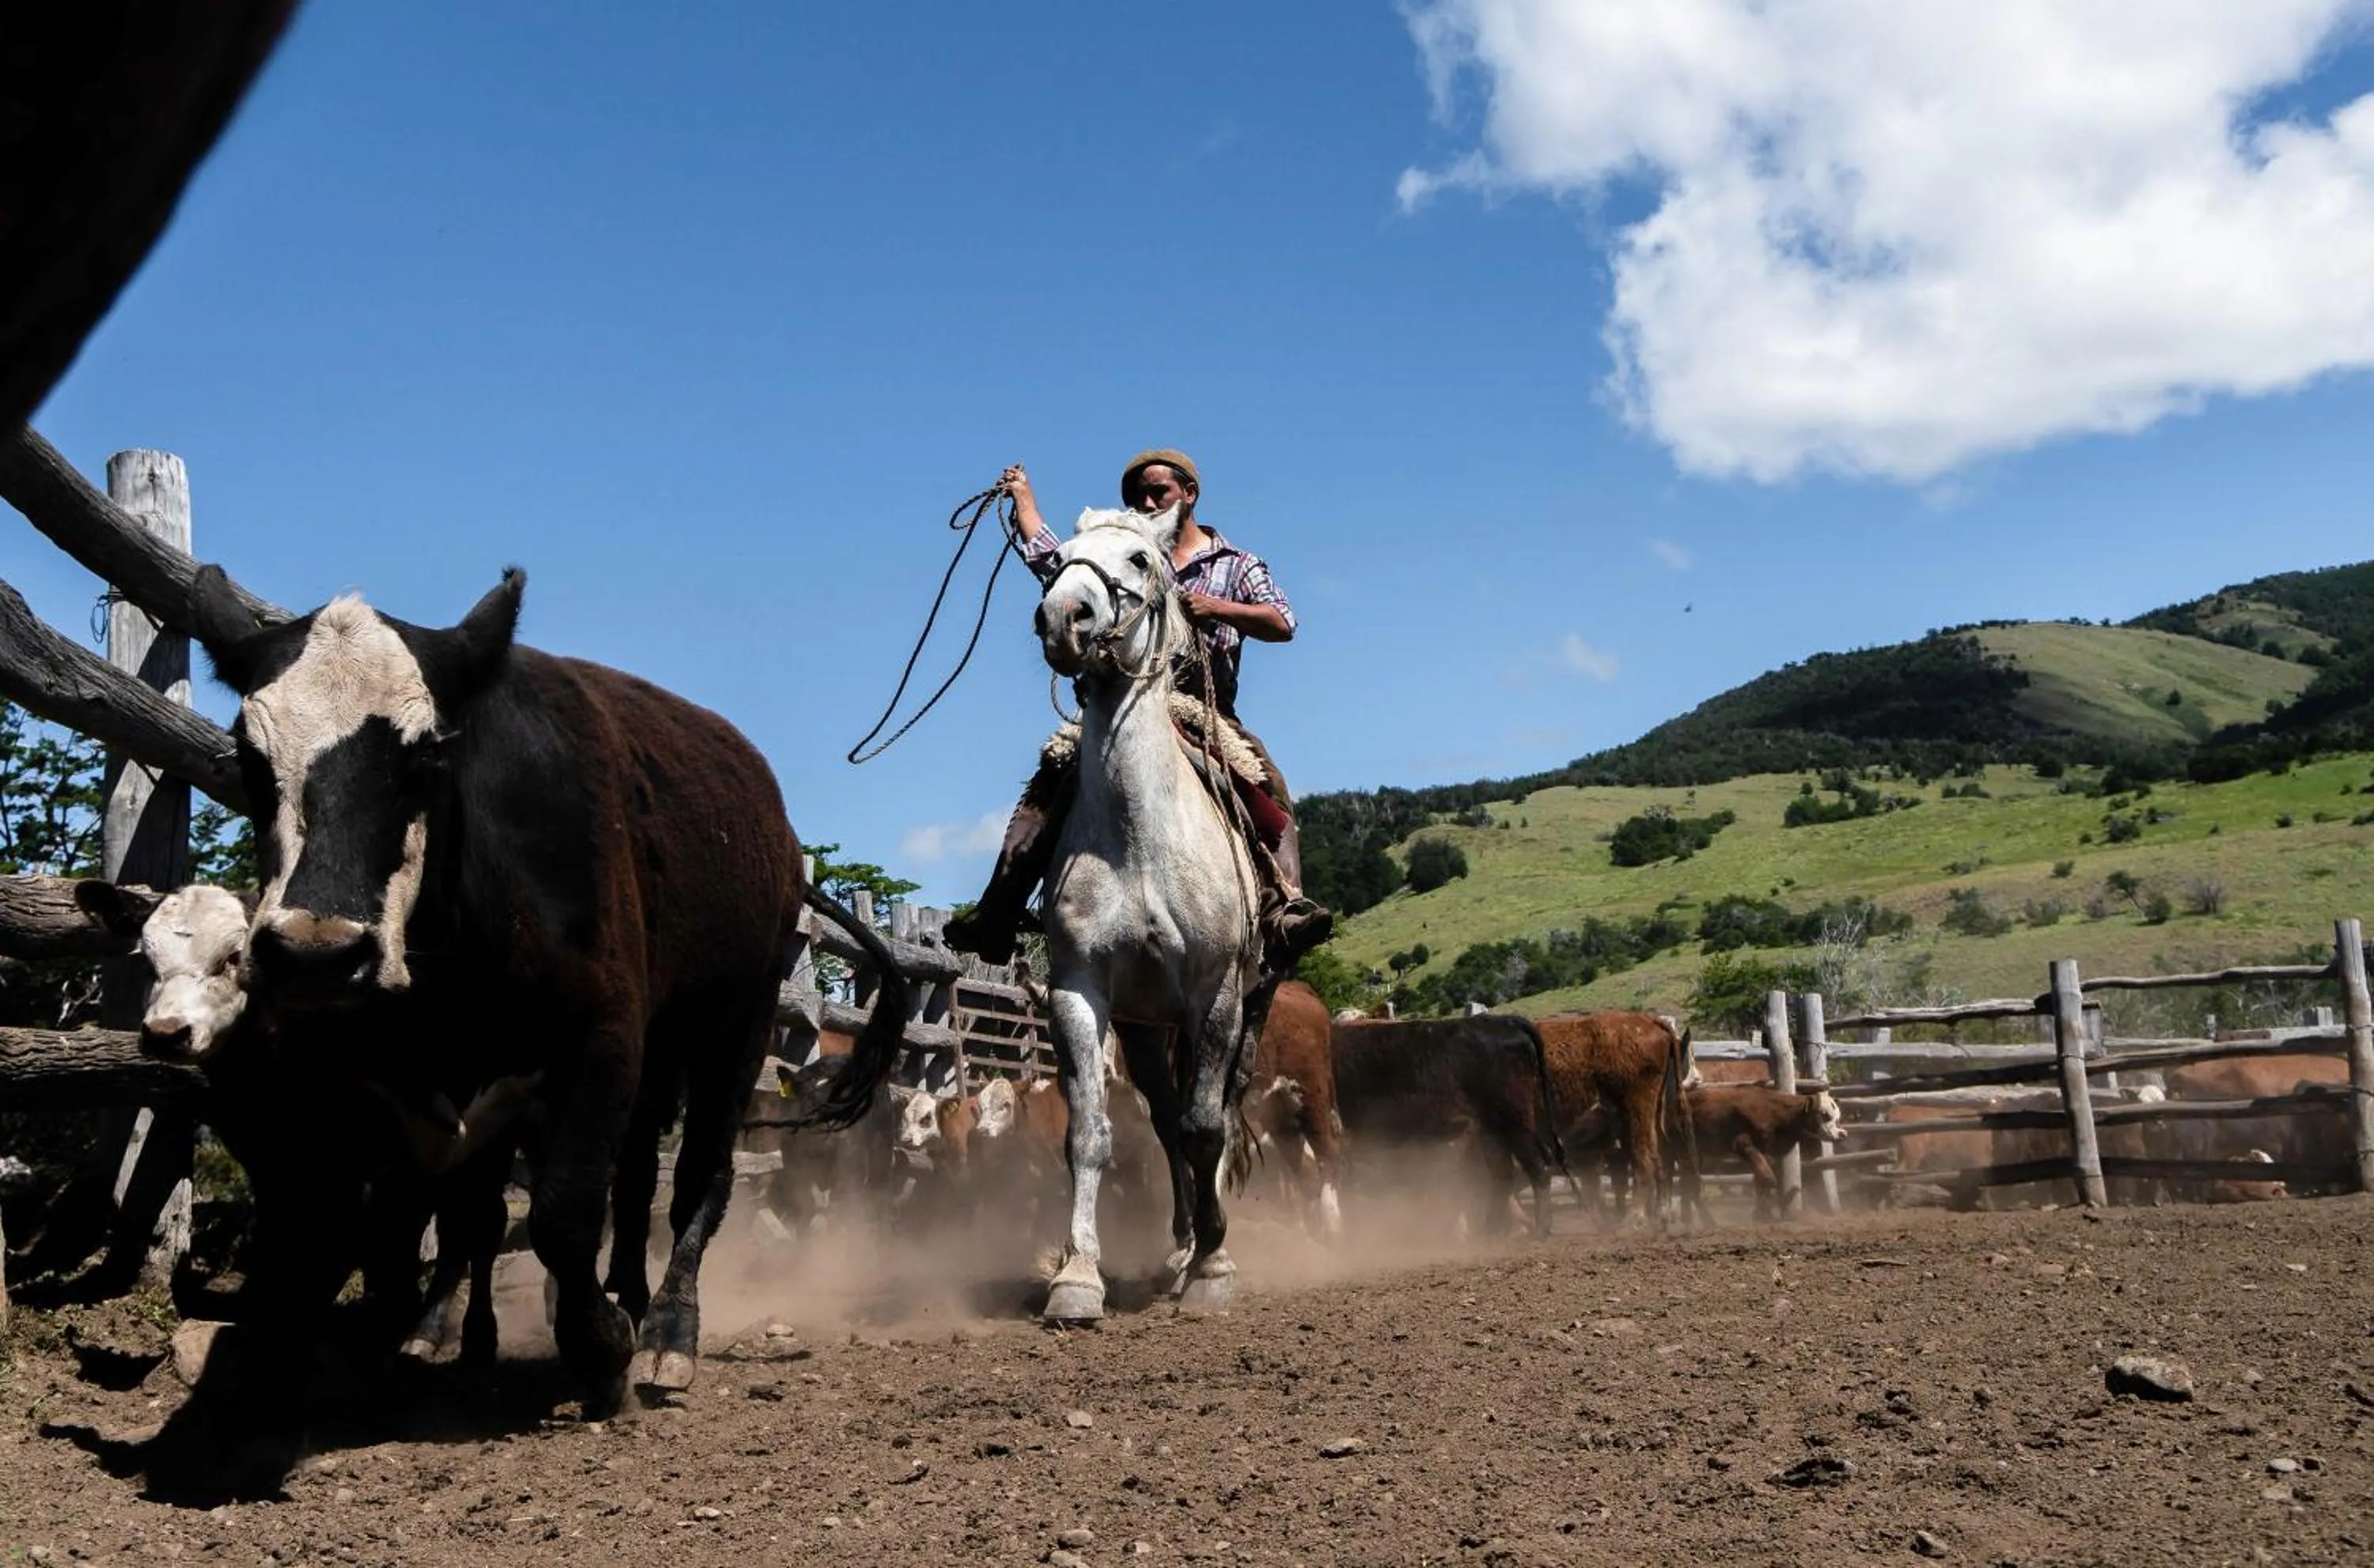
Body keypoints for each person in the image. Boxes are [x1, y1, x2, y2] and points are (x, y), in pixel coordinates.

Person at [942, 448, 1333, 975]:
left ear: (1188, 494)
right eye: (1137, 496)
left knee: (1265, 789)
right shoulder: (1116, 553)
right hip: (1116, 706)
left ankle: (1283, 907)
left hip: (1200, 708)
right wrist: (1024, 500)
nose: (1146, 502)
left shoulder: (1235, 564)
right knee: (1047, 786)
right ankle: (999, 909)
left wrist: (1218, 608)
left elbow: (1281, 621)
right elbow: (1051, 558)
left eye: (1158, 492)